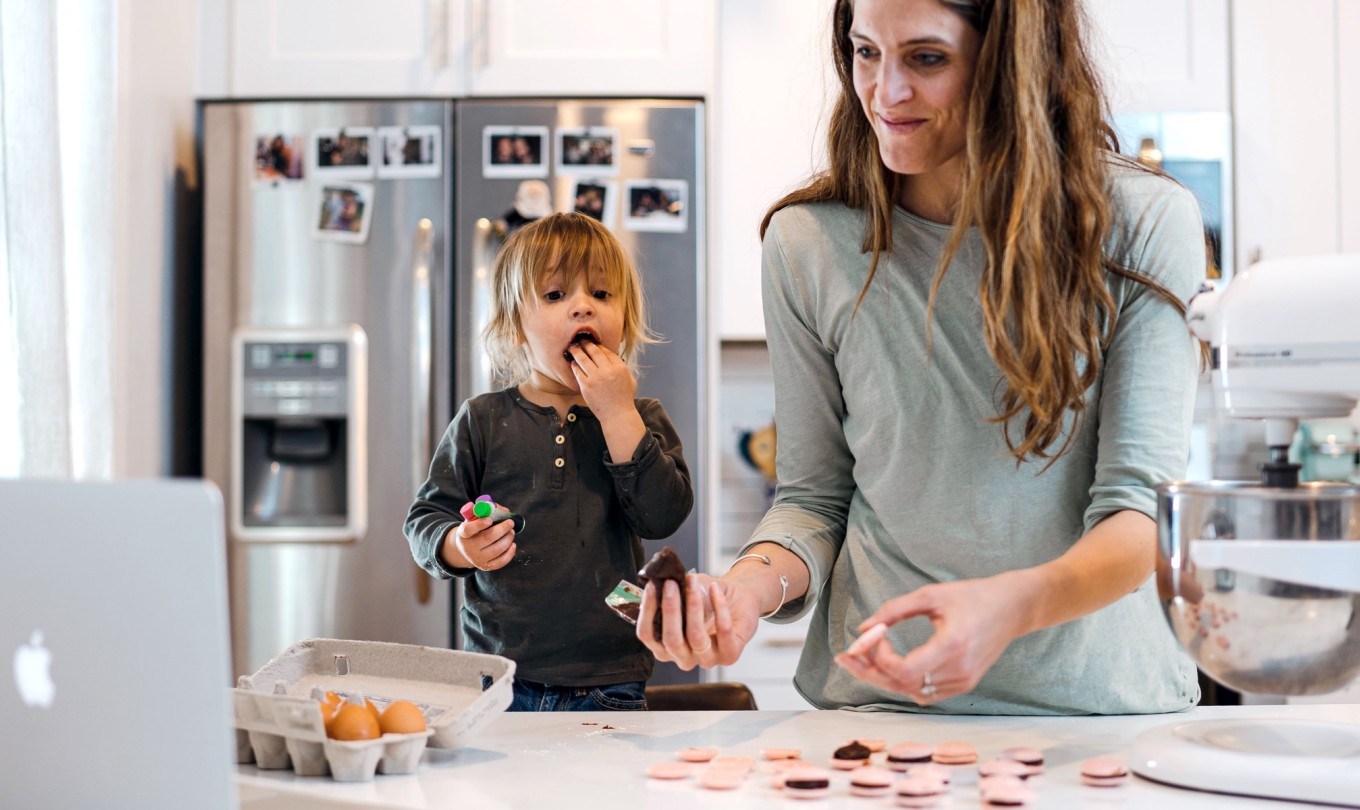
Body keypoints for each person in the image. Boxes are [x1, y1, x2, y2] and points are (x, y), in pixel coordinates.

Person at [638, 0, 1206, 715]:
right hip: (882, 708)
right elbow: (814, 500)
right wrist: (746, 592)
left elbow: (1139, 515)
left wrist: (1006, 609)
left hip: (1097, 711)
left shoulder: (1144, 223)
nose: (885, 91)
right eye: (865, 52)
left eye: (927, 58)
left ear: (1012, 61)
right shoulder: (808, 241)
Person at [405, 212, 694, 712]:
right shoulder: (482, 420)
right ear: (517, 323)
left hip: (610, 679)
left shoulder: (639, 416)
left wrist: (617, 413)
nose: (583, 308)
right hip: (498, 679)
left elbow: (663, 514)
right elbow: (424, 522)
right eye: (556, 295)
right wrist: (460, 545)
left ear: (625, 320)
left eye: (602, 296)